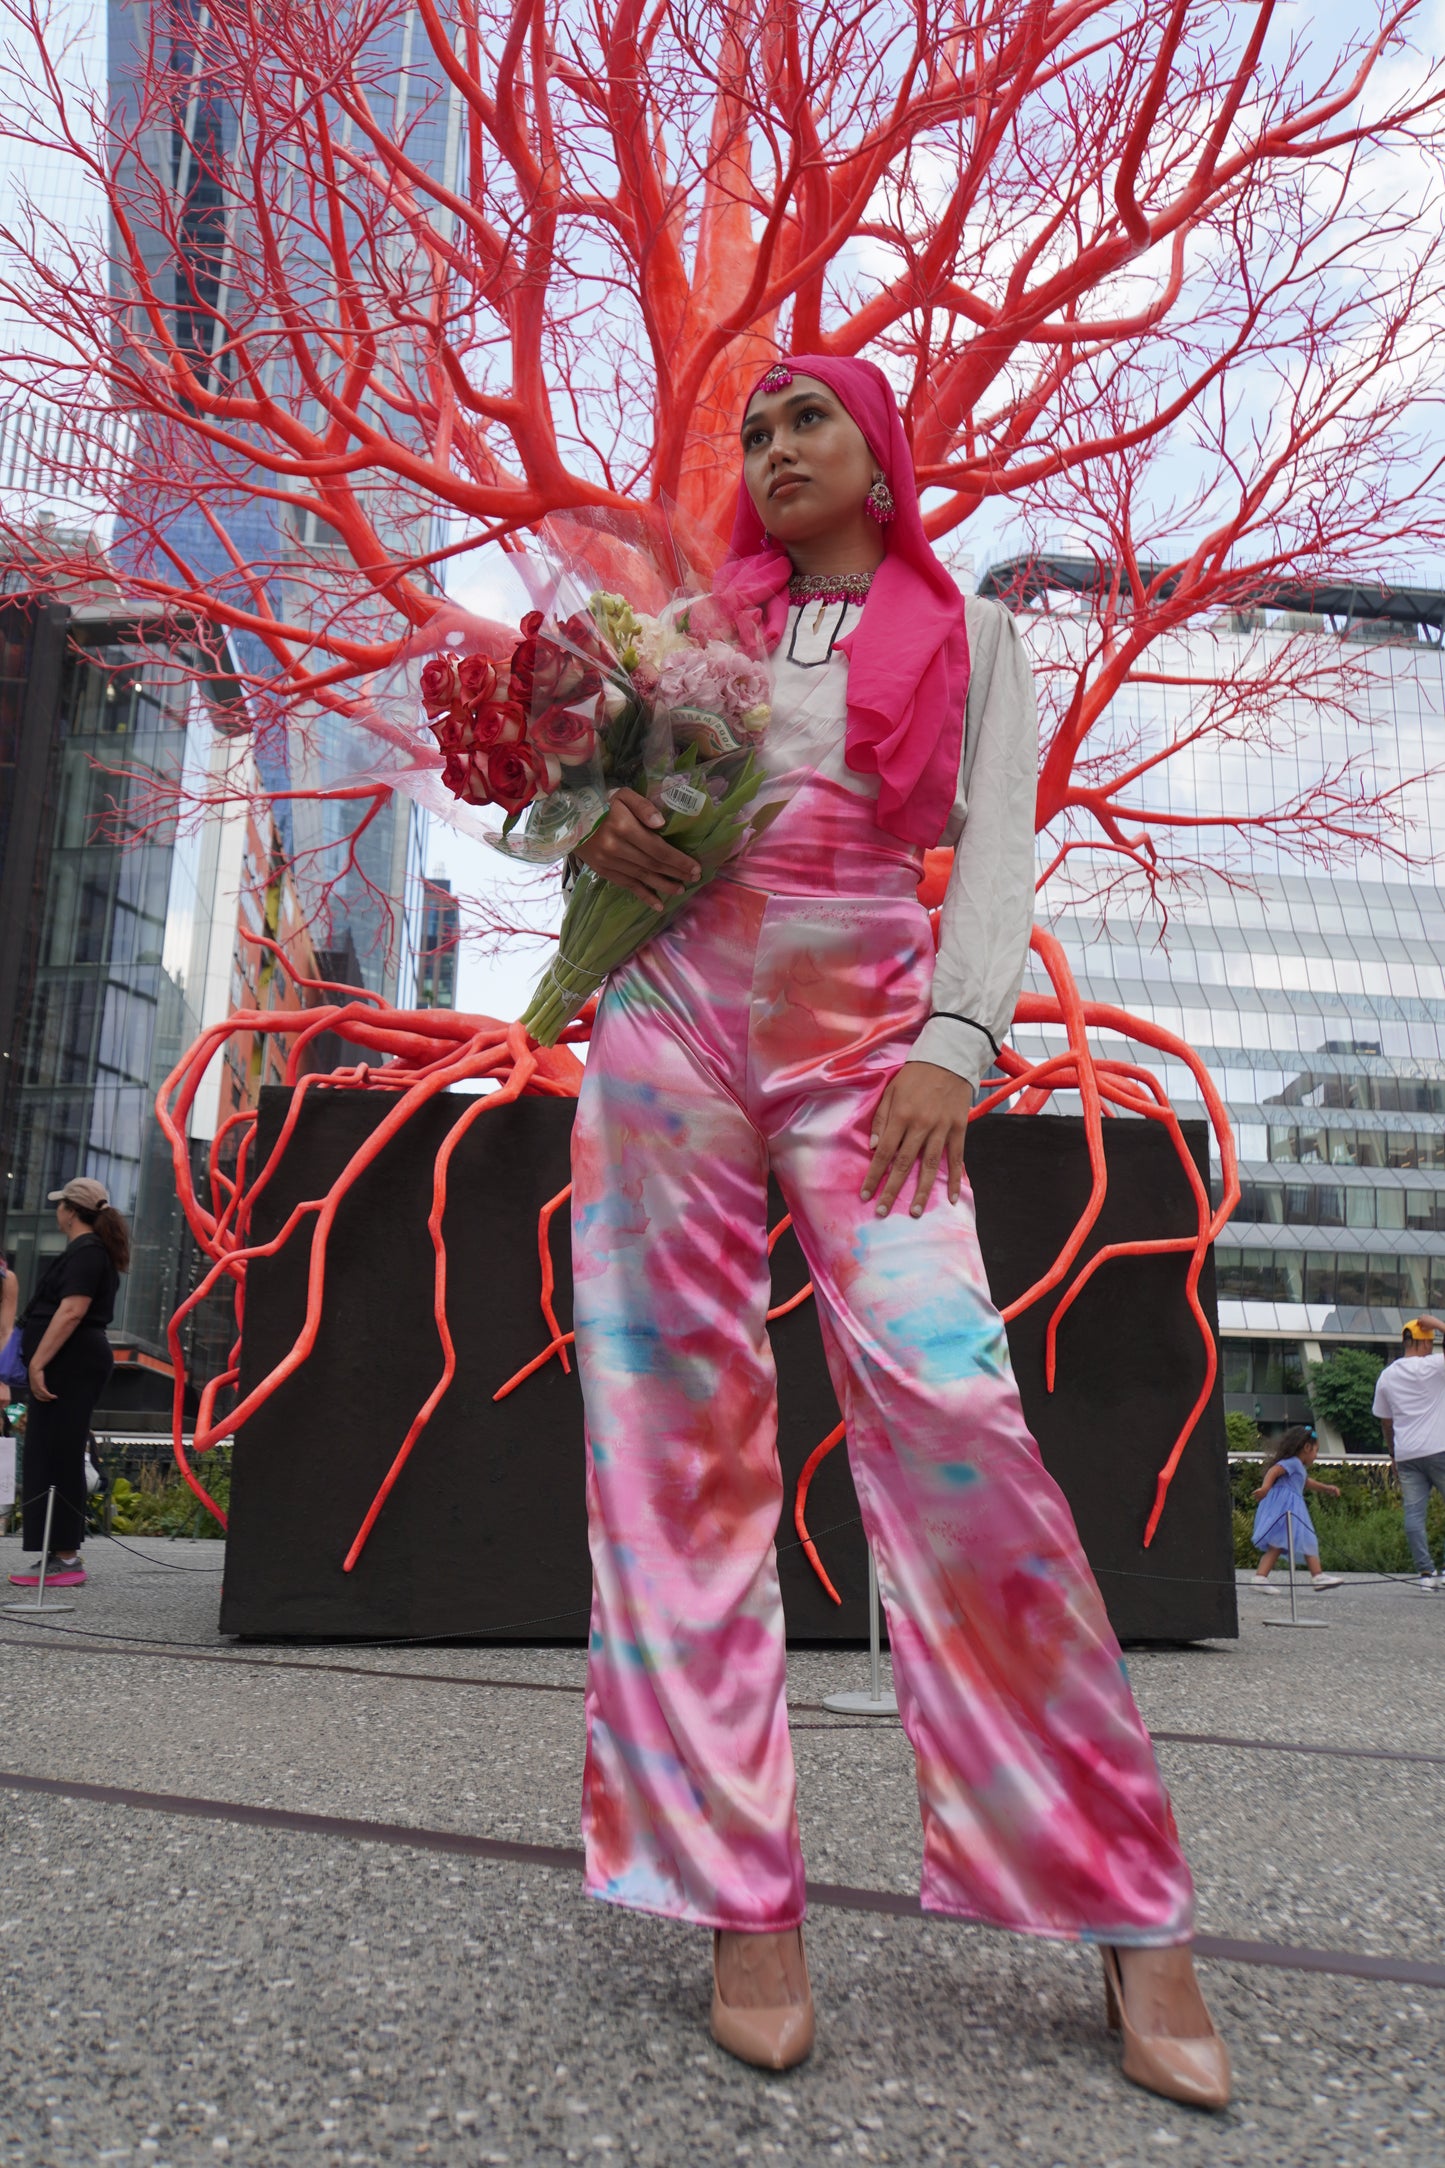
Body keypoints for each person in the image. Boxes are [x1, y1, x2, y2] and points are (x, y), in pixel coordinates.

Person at [564, 356, 1230, 2108]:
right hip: (668, 1020)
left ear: (879, 456)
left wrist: (959, 1036)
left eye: (810, 422)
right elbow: (593, 840)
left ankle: (1127, 1899)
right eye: (757, 428)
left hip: (873, 1033)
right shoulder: (692, 629)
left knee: (958, 1429)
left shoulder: (977, 636)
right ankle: (736, 1894)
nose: (775, 449)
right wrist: (607, 829)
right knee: (674, 1447)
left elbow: (996, 844)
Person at [7, 1177, 128, 1590]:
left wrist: (38, 1363)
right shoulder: (90, 1252)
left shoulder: (88, 1252)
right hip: (72, 1362)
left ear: (71, 1212)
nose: (56, 1210)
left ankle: (66, 1558)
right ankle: (58, 1553)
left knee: (58, 1452)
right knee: (50, 1450)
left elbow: (72, 1310)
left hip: (69, 1363)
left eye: (60, 1205)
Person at [1372, 1316, 1445, 1591]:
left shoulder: (1387, 1375)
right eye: (1430, 1341)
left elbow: (1385, 1421)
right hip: (1440, 1449)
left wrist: (1393, 1454)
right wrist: (1439, 1323)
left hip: (1407, 1455)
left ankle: (1426, 1573)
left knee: (1414, 1515)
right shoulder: (1435, 1366)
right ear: (1422, 1342)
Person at [1246, 1427, 1342, 1591]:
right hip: (1288, 1507)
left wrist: (1326, 1488)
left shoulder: (1297, 1467)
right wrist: (1265, 1487)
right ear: (1307, 1448)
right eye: (1316, 1451)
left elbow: (1305, 1482)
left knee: (1278, 1544)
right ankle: (1317, 1575)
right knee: (1307, 1539)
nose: (1316, 1455)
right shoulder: (1293, 1462)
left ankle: (1261, 1577)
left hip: (1286, 1506)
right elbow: (1274, 1470)